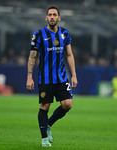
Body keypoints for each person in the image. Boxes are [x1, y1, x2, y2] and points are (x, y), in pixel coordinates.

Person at [26, 6, 78, 147]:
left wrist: (73, 75)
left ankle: (48, 124)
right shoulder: (38, 35)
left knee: (67, 104)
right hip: (45, 78)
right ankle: (44, 138)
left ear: (59, 18)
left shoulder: (65, 34)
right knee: (45, 106)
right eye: (50, 15)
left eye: (55, 14)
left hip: (61, 77)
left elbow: (69, 55)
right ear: (46, 18)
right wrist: (29, 76)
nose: (52, 17)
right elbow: (32, 57)